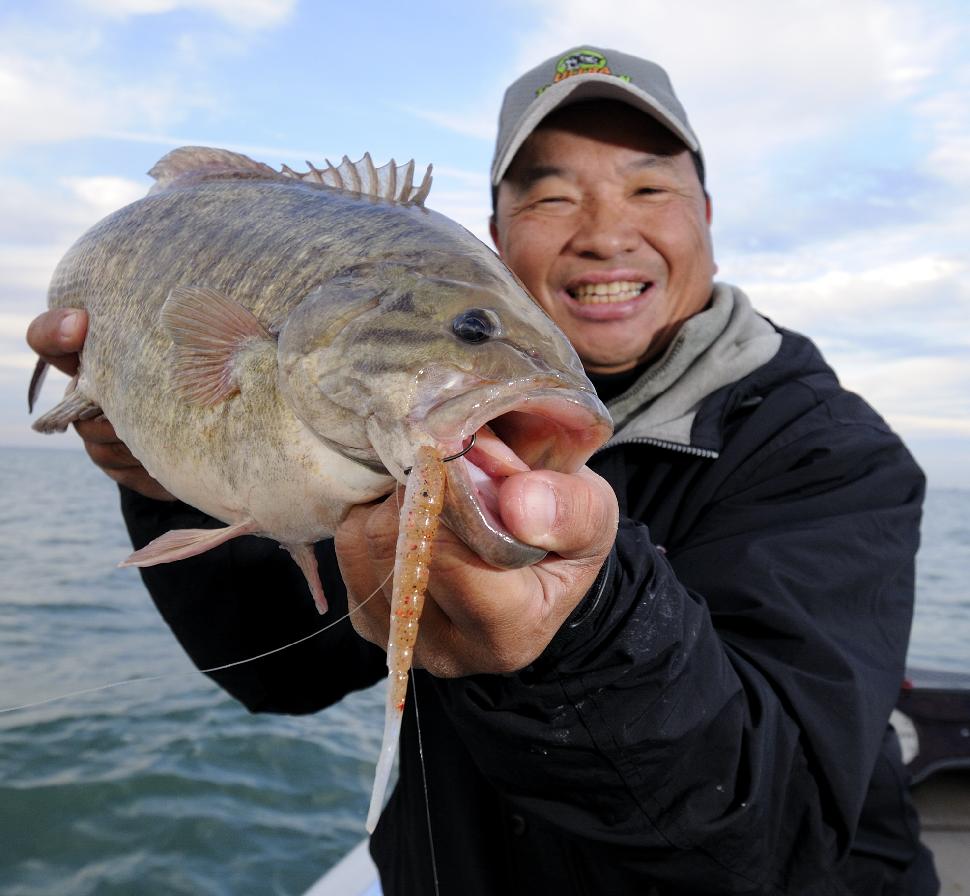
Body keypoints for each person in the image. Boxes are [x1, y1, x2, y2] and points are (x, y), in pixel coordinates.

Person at [27, 46, 938, 895]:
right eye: (548, 198)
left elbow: (780, 830)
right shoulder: (397, 424)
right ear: (494, 236)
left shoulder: (831, 454)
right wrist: (168, 475)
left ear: (704, 216)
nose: (604, 233)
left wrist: (575, 634)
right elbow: (283, 673)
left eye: (649, 186)